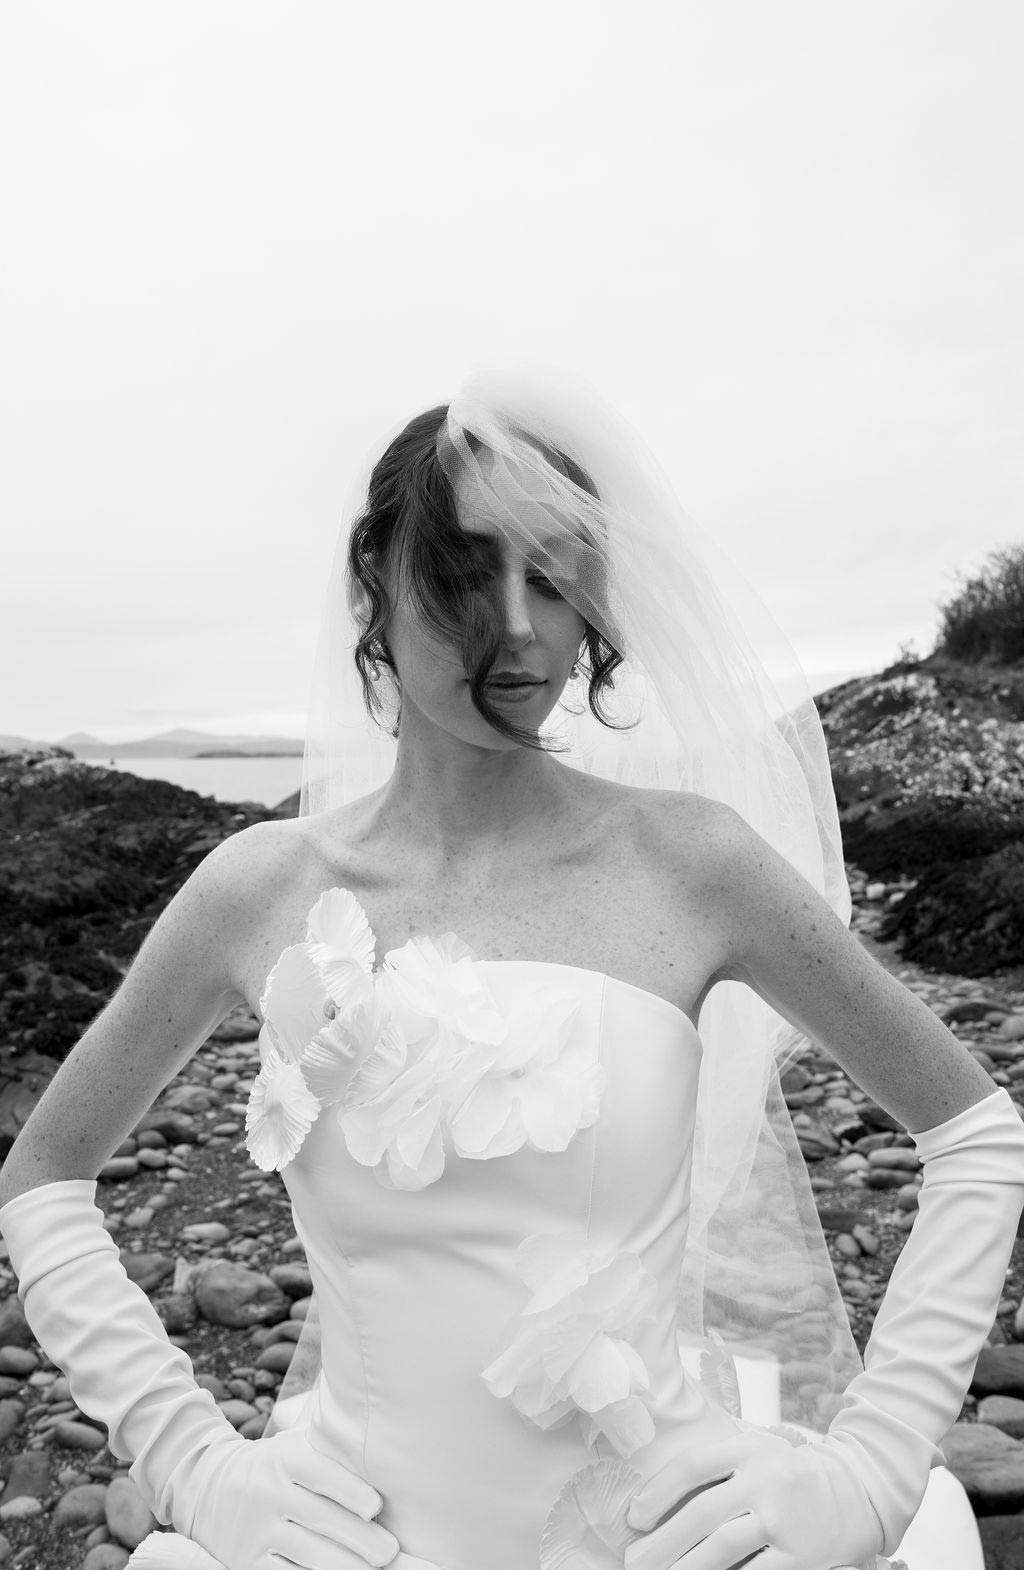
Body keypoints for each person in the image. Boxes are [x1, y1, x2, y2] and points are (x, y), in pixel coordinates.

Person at [2, 365, 1023, 1570]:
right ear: (370, 586)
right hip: (347, 1544)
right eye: (464, 570)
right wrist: (195, 1466)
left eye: (553, 573)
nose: (522, 624)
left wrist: (868, 1472)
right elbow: (43, 1175)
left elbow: (977, 1134)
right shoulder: (257, 888)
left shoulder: (690, 862)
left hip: (661, 1540)